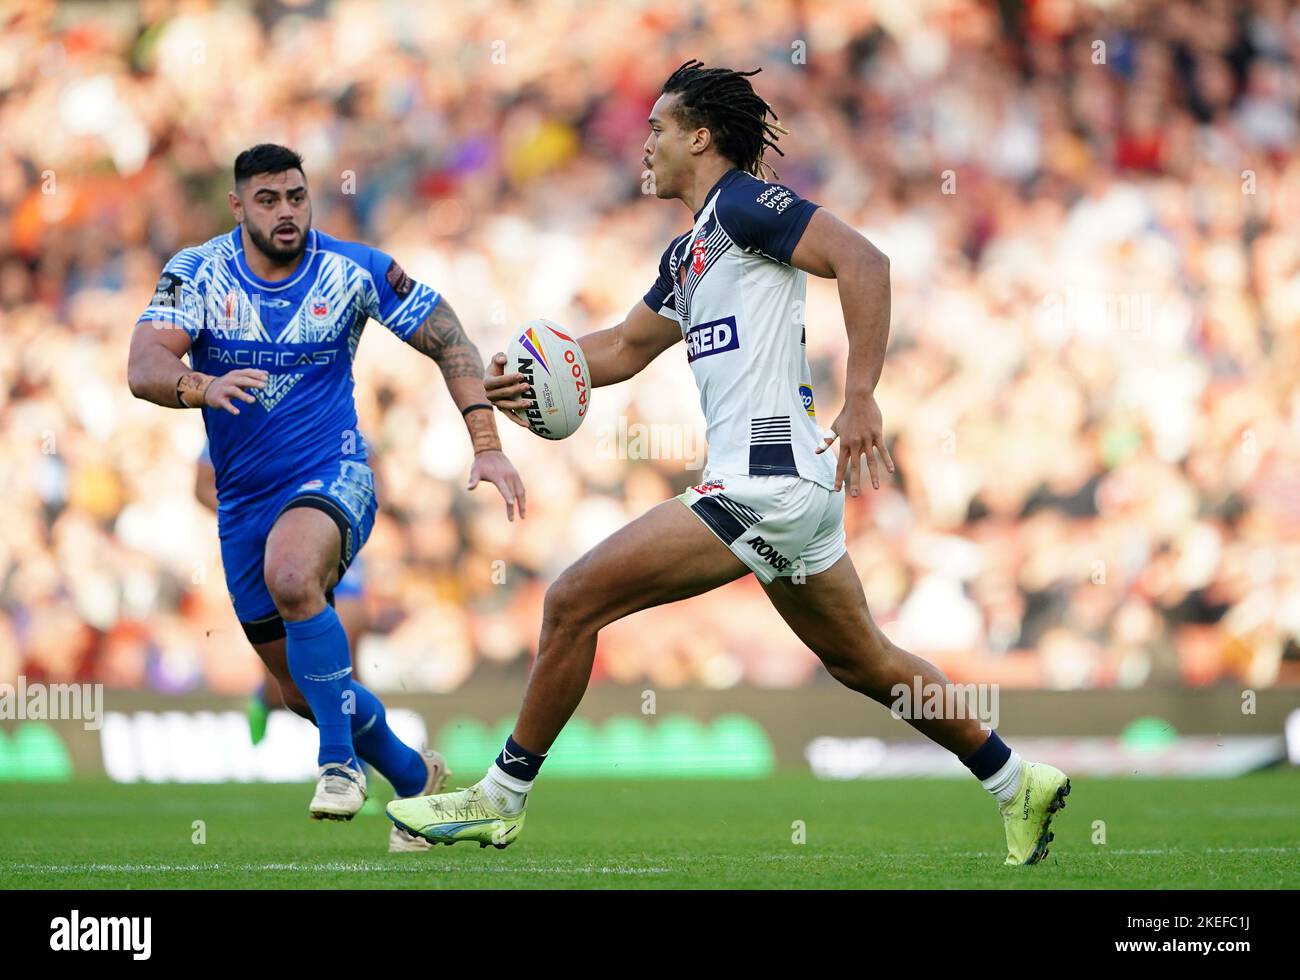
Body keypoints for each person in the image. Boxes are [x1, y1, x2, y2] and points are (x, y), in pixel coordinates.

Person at [387, 62, 1069, 866]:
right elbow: (621, 349)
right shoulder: (689, 252)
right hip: (789, 490)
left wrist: (862, 396)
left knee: (572, 602)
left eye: (657, 130)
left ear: (699, 137)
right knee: (865, 661)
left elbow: (866, 262)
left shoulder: (746, 205)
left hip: (765, 482)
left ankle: (498, 800)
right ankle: (1015, 779)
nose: (645, 145)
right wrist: (526, 383)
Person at [129, 143, 527, 853]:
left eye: (296, 197)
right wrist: (200, 386)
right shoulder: (195, 272)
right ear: (237, 206)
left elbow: (450, 339)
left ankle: (340, 766)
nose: (286, 212)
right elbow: (143, 364)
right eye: (268, 200)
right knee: (296, 691)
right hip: (244, 503)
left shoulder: (353, 270)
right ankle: (415, 778)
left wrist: (487, 445)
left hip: (335, 472)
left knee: (293, 575)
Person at [194, 438, 372, 749]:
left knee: (348, 667)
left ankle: (356, 772)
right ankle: (267, 697)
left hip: (330, 541)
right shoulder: (240, 419)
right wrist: (249, 517)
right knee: (294, 685)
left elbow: (373, 474)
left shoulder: (334, 416)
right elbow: (202, 486)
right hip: (274, 553)